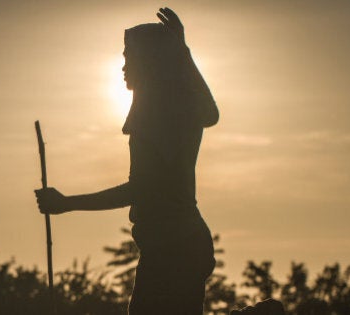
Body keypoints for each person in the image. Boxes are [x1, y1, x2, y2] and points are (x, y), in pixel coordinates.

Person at [35, 7, 219, 314]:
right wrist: (182, 52)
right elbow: (211, 114)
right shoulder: (182, 111)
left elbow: (139, 190)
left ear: (150, 63)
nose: (123, 67)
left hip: (171, 250)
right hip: (183, 244)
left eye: (128, 57)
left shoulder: (156, 118)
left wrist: (67, 203)